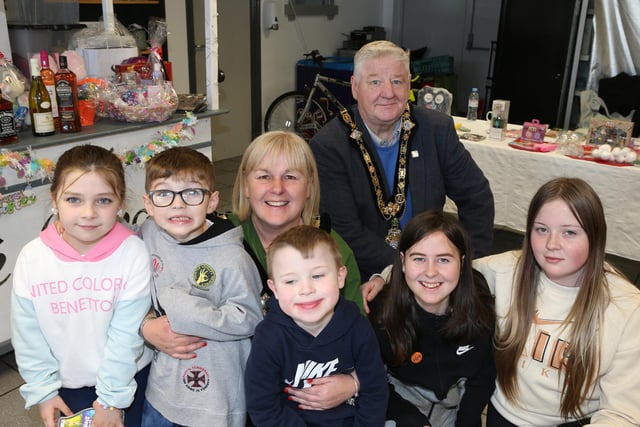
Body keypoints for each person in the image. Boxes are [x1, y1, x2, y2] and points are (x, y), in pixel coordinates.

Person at [141, 131, 362, 412]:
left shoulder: (332, 250)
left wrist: (352, 382)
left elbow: (362, 339)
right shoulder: (208, 234)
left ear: (310, 187)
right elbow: (138, 271)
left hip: (308, 399)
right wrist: (145, 326)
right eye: (264, 176)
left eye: (291, 177)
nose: (277, 188)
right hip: (223, 397)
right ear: (245, 185)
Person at [309, 40, 495, 305]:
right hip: (368, 274)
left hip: (434, 272)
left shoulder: (436, 130)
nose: (388, 92)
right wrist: (401, 271)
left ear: (409, 85)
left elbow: (476, 196)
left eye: (397, 81)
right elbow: (348, 231)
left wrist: (468, 265)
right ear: (355, 87)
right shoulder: (329, 146)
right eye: (375, 82)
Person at [473, 177, 640, 426]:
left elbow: (622, 413)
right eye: (541, 229)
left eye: (569, 232)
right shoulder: (504, 270)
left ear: (595, 237)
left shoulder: (626, 307)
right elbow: (442, 272)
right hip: (502, 415)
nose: (552, 244)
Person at [11, 144, 152, 427]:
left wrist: (111, 400)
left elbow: (126, 337)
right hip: (63, 385)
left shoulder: (133, 253)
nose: (88, 213)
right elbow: (27, 336)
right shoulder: (32, 257)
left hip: (126, 382)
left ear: (121, 202)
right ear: (55, 199)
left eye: (103, 201)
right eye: (74, 199)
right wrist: (43, 390)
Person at [139, 147, 263, 427]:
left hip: (216, 401)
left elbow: (250, 319)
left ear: (212, 201)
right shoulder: (148, 235)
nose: (177, 205)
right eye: (163, 194)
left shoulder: (233, 258)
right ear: (148, 204)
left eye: (192, 193)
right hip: (162, 392)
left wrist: (181, 306)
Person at [245, 225, 388, 426]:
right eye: (291, 281)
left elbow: (375, 389)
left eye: (318, 276)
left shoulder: (358, 327)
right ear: (274, 289)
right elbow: (263, 407)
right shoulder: (268, 337)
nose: (306, 289)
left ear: (340, 277)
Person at [370, 210, 495, 427]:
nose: (430, 272)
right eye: (419, 259)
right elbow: (372, 380)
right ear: (403, 261)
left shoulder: (480, 309)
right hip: (397, 405)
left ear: (462, 263)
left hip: (451, 409)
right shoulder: (383, 313)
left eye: (444, 260)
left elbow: (481, 380)